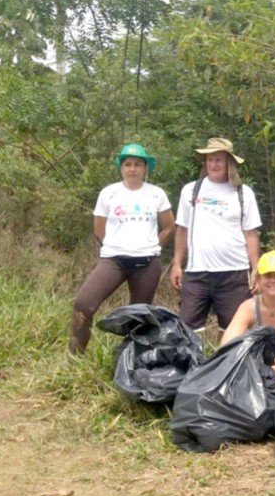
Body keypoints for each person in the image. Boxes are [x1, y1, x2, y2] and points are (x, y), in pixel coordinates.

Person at [69, 144, 174, 354]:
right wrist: (116, 246)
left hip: (147, 264)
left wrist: (152, 246)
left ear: (145, 168)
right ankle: (75, 358)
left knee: (139, 316)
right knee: (83, 304)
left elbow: (169, 226)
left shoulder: (156, 194)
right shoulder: (109, 193)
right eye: (127, 164)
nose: (132, 169)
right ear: (121, 167)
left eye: (137, 164)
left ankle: (132, 364)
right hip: (114, 260)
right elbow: (99, 228)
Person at [170, 138, 262, 331]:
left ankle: (226, 361)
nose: (213, 164)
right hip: (197, 272)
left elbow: (250, 233)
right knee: (186, 329)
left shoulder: (243, 193)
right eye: (210, 160)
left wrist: (255, 269)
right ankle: (195, 362)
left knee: (234, 330)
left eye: (218, 160)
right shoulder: (191, 190)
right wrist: (177, 264)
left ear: (229, 162)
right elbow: (182, 229)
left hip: (233, 272)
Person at [219, 250, 275, 383]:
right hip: (255, 368)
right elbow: (226, 346)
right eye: (267, 275)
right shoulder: (248, 308)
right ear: (258, 279)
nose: (273, 280)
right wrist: (261, 368)